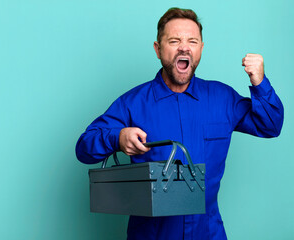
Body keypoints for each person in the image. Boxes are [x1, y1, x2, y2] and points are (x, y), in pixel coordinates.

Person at [75, 7, 284, 240]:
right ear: (158, 49)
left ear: (201, 49)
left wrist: (260, 82)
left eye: (192, 41)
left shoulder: (222, 98)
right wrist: (118, 137)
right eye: (174, 40)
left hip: (209, 232)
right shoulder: (132, 103)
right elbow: (84, 147)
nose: (184, 47)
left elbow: (270, 126)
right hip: (151, 234)